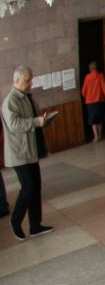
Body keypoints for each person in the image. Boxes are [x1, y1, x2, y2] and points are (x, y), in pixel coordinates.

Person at [3, 67, 55, 241]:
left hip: (31, 150)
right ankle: (15, 220)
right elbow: (14, 125)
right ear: (17, 80)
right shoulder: (10, 101)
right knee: (29, 187)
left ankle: (35, 226)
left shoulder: (26, 98)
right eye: (27, 80)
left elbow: (31, 122)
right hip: (20, 154)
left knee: (36, 187)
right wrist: (35, 121)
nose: (30, 83)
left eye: (31, 79)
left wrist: (44, 122)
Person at [81, 61, 105, 143]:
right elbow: (104, 87)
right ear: (96, 67)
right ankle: (100, 134)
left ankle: (95, 136)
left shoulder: (87, 77)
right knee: (100, 119)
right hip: (99, 101)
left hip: (90, 102)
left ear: (89, 69)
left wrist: (86, 96)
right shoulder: (100, 76)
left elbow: (83, 91)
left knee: (92, 120)